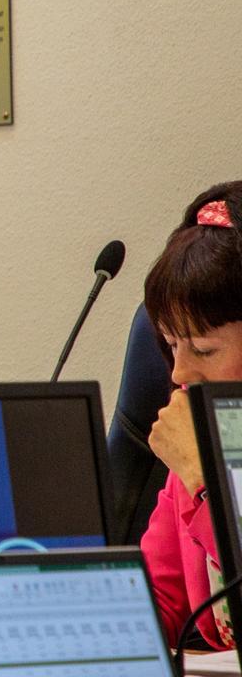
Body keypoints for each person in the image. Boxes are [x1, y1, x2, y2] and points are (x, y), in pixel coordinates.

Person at [140, 180, 242, 650]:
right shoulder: (200, 432)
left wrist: (206, 481)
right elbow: (158, 601)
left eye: (203, 348)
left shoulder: (195, 460)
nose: (181, 370)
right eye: (171, 343)